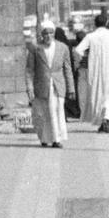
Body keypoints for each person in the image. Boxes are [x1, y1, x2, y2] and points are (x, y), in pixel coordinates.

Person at [26, 19, 72, 147]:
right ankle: (45, 138)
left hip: (58, 85)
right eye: (45, 33)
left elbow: (67, 69)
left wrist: (71, 88)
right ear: (42, 34)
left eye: (51, 33)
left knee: (57, 111)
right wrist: (29, 87)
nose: (48, 36)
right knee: (43, 113)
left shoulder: (62, 48)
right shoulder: (36, 49)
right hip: (41, 86)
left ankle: (57, 139)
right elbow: (29, 70)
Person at [73, 12, 109, 132]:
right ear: (106, 23)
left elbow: (77, 51)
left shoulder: (90, 36)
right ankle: (107, 119)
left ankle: (100, 120)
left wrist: (86, 57)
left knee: (98, 96)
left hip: (94, 71)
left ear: (95, 24)